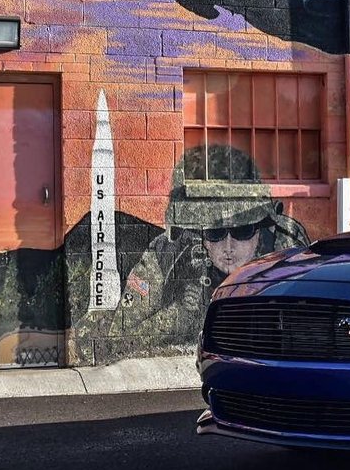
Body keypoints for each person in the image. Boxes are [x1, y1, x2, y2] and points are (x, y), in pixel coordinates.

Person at [119, 144, 309, 342]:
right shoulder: (169, 250)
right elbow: (124, 332)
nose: (228, 246)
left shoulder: (286, 244)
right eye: (215, 233)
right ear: (201, 237)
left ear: (260, 231)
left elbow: (311, 324)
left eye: (242, 231)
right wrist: (180, 313)